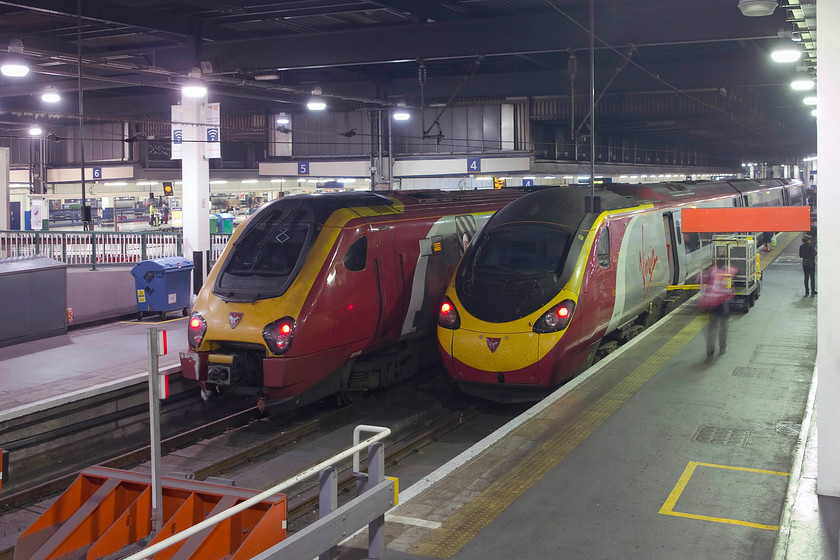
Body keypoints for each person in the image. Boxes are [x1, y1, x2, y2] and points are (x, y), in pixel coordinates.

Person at [699, 265, 735, 362]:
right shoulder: (726, 275)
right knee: (723, 329)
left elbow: (704, 288)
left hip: (712, 307)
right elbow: (730, 292)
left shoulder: (710, 274)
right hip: (722, 307)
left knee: (711, 331)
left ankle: (710, 354)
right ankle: (722, 348)